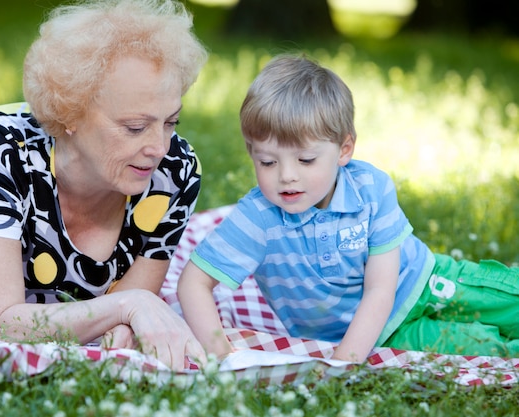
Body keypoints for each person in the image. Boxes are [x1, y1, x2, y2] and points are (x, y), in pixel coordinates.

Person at [0, 0, 208, 371]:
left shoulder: (175, 170)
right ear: (70, 114)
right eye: (135, 128)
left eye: (172, 122)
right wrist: (129, 306)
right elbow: (1, 324)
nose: (159, 147)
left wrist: (129, 311)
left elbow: (126, 316)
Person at [177, 54, 519, 363]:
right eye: (267, 162)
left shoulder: (370, 189)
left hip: (426, 282)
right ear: (252, 152)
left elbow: (380, 289)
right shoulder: (258, 218)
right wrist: (224, 359)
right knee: (486, 350)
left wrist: (343, 363)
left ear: (344, 150)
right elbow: (193, 283)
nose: (287, 176)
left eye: (306, 159)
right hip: (383, 336)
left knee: (508, 302)